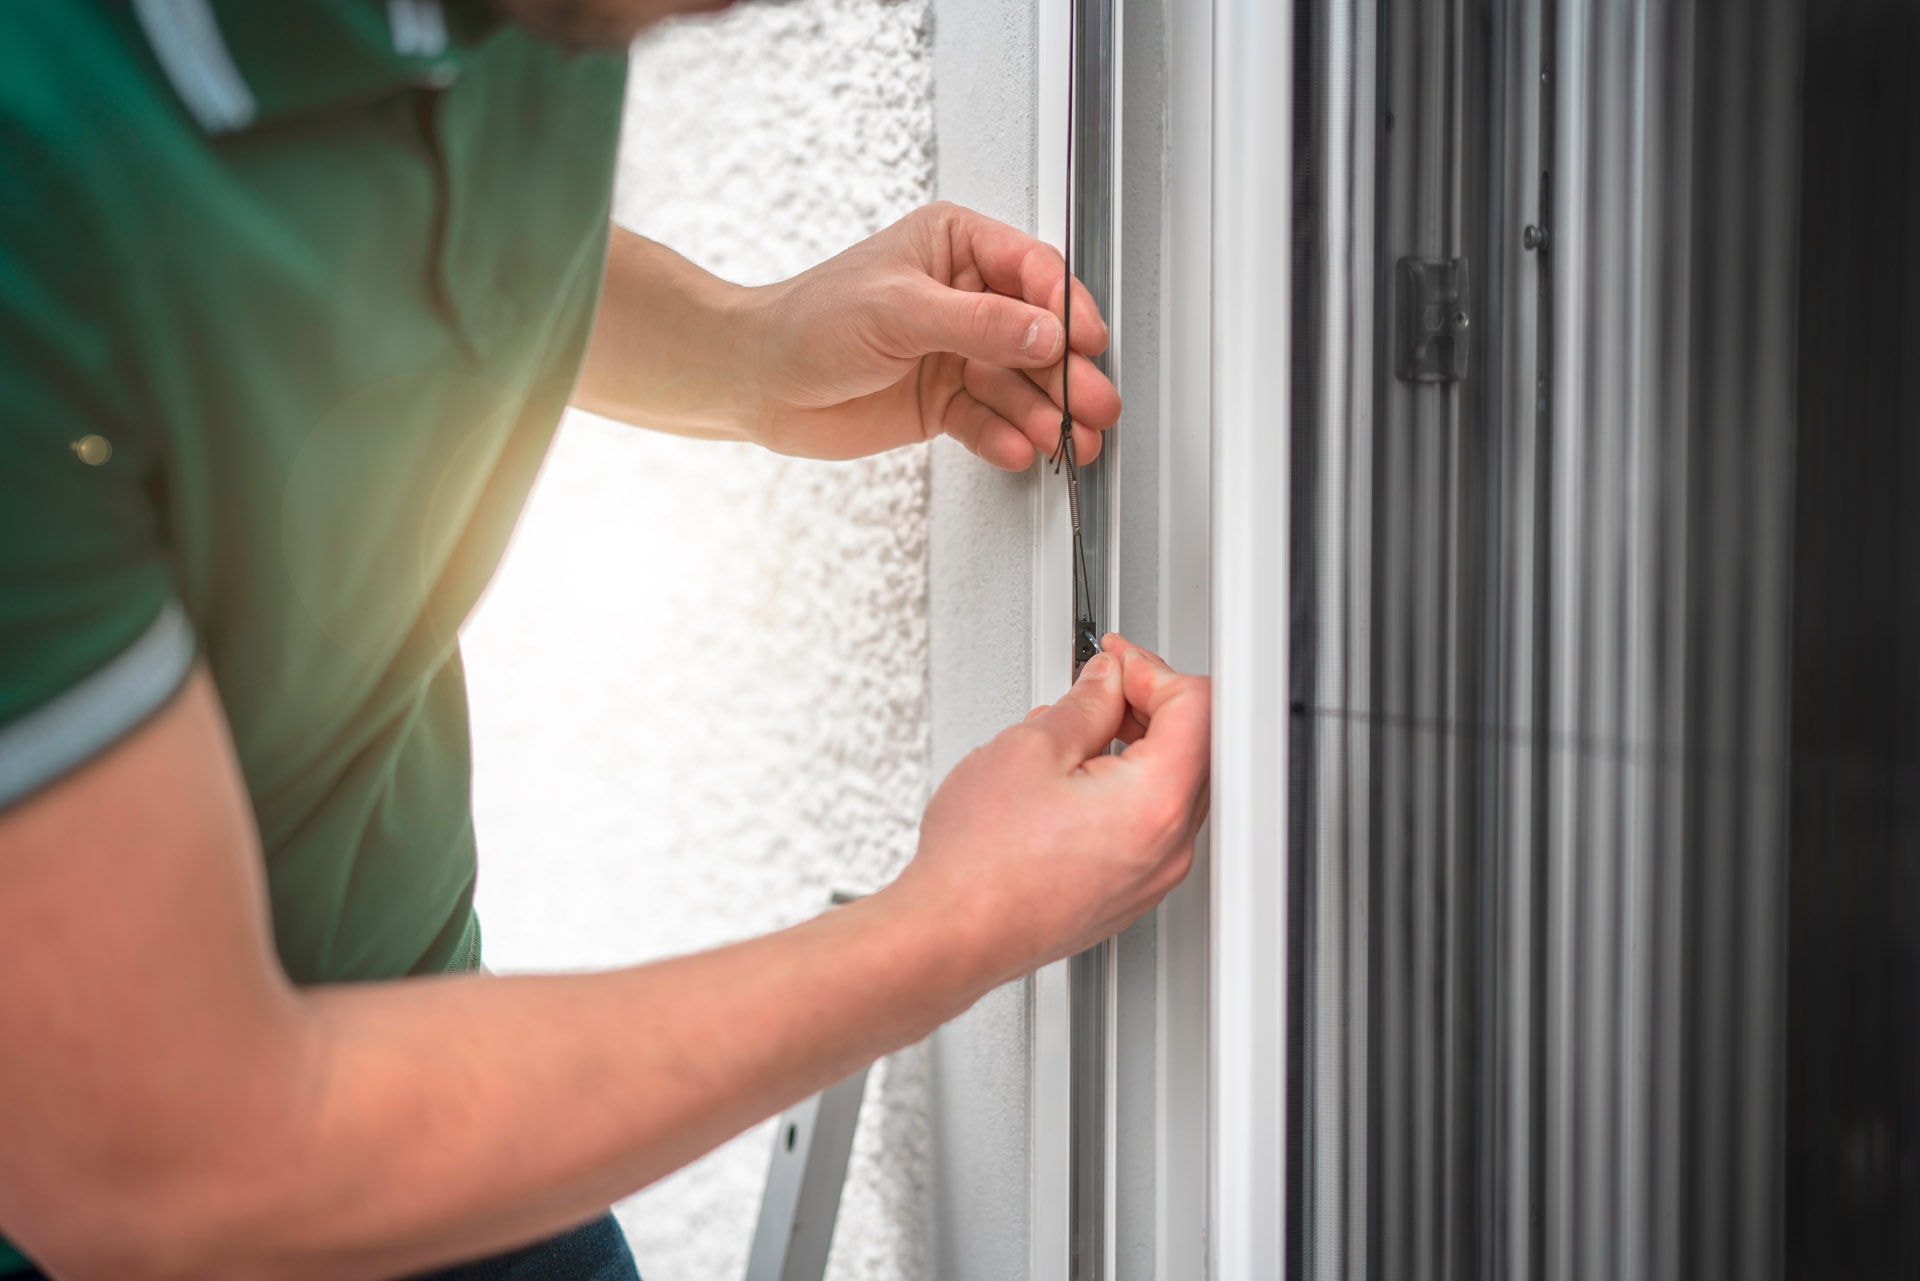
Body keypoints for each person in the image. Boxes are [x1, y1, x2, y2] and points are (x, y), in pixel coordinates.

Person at [0, 0, 1213, 1276]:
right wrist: (959, 921)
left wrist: (743, 352)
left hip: (436, 1071)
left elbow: (355, 215)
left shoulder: (537, 17)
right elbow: (174, 1160)